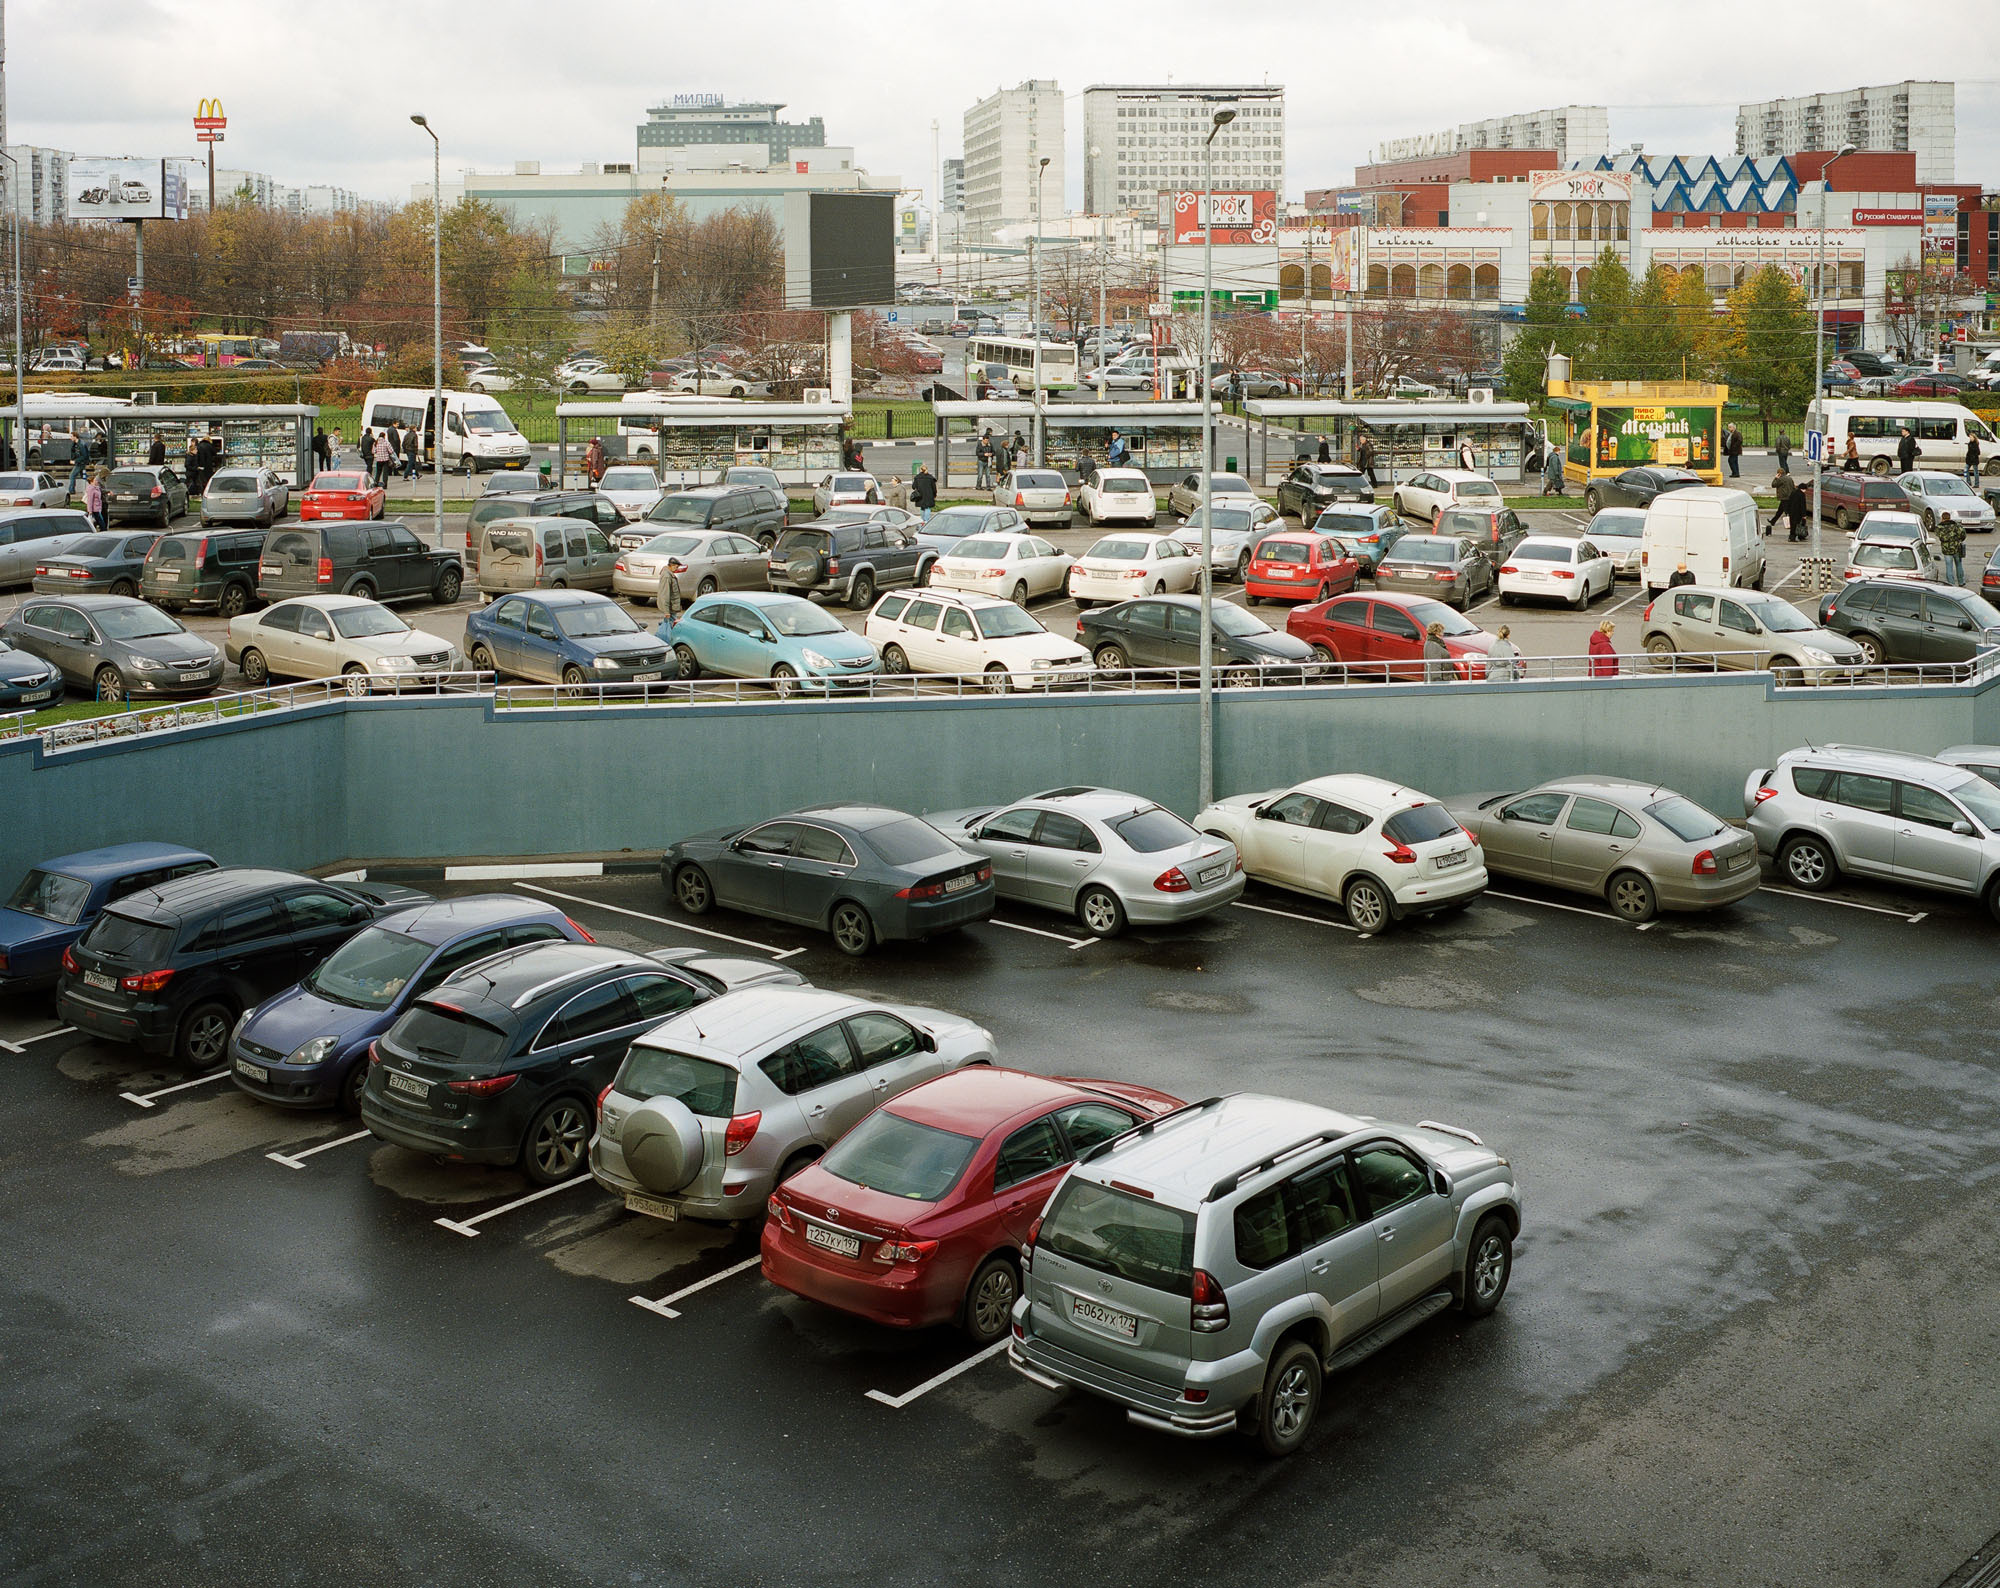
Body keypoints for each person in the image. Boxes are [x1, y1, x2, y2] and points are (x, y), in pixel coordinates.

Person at [1938, 512, 1965, 587]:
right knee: (1959, 564)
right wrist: (1959, 540)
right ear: (1950, 517)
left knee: (1949, 566)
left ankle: (1951, 583)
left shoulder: (1939, 527)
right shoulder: (1956, 525)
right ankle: (1961, 581)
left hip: (1946, 550)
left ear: (1942, 518)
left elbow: (1939, 536)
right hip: (1957, 548)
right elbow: (1963, 534)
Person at [1765, 470, 1792, 535]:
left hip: (1783, 497)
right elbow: (1793, 487)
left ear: (1779, 473)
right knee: (1780, 510)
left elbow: (1773, 485)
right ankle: (1773, 521)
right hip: (1789, 496)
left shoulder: (1781, 479)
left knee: (1787, 511)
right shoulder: (1789, 478)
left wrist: (1776, 478)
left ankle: (1790, 524)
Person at [83, 467, 106, 533]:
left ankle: (98, 531)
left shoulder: (97, 488)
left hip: (98, 508)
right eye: (95, 480)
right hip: (94, 509)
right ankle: (103, 531)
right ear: (91, 481)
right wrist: (90, 510)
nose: (97, 481)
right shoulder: (91, 489)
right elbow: (90, 500)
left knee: (97, 521)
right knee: (101, 522)